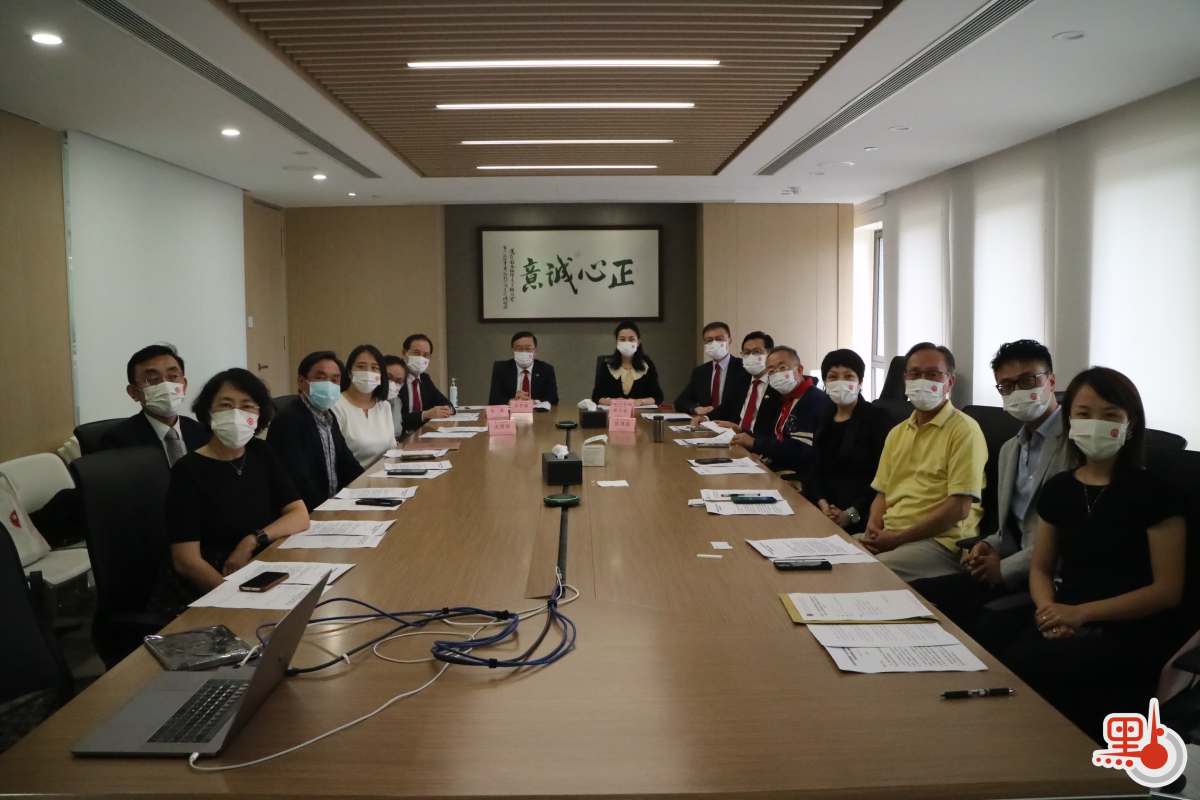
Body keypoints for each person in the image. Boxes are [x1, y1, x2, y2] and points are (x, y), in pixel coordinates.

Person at [991, 367, 1186, 741]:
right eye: (1084, 414)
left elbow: (1167, 590)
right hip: (1065, 616)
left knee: (1033, 669)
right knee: (996, 646)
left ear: (1130, 423)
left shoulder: (1157, 492)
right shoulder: (1059, 488)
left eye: (1110, 414)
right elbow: (1041, 568)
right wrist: (1048, 610)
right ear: (1069, 421)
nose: (1096, 423)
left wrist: (1081, 613)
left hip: (1130, 627)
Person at [913, 340, 1069, 629]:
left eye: (1028, 380)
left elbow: (1067, 537)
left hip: (1051, 579)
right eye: (1006, 386)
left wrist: (1005, 568)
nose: (1017, 391)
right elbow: (1011, 526)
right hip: (1008, 566)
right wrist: (986, 544)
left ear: (1051, 381)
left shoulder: (1074, 445)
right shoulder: (1011, 449)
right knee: (917, 595)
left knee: (972, 622)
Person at [165, 368, 309, 598]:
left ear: (259, 414)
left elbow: (299, 515)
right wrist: (233, 596)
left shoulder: (260, 452)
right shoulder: (188, 470)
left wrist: (252, 540)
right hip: (213, 583)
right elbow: (186, 560)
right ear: (208, 411)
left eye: (247, 406)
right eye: (225, 405)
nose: (236, 414)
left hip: (262, 568)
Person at [861, 342, 987, 582]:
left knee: (864, 574)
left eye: (933, 374)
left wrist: (897, 538)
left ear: (949, 382)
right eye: (915, 373)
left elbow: (959, 508)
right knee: (834, 558)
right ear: (905, 379)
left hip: (940, 543)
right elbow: (882, 493)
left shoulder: (964, 431)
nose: (922, 381)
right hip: (891, 536)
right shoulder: (897, 432)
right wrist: (873, 528)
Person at [803, 349, 892, 534]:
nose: (840, 382)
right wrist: (822, 504)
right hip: (822, 511)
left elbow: (883, 480)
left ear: (860, 382)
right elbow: (814, 468)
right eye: (833, 377)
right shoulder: (823, 417)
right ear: (825, 383)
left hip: (862, 516)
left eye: (848, 376)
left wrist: (849, 515)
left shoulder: (877, 419)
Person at [267, 351, 364, 511]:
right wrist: (328, 510)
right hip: (308, 512)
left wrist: (367, 487)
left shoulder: (328, 415)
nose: (329, 385)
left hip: (333, 505)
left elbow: (347, 463)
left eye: (335, 380)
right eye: (321, 378)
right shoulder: (288, 421)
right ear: (301, 381)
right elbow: (299, 481)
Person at [731, 346, 833, 486]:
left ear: (799, 370)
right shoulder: (786, 399)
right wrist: (744, 433)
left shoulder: (813, 400)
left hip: (798, 480)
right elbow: (777, 438)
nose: (777, 374)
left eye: (783, 368)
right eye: (771, 371)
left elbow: (801, 451)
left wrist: (756, 443)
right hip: (775, 470)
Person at [100, 343, 208, 465]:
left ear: (184, 385)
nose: (165, 385)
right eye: (152, 379)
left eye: (173, 376)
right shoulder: (117, 441)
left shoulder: (204, 432)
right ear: (133, 392)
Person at [332, 344, 396, 468]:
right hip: (353, 477)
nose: (368, 373)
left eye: (374, 368)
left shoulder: (384, 406)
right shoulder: (336, 405)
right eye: (361, 367)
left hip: (385, 473)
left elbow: (392, 448)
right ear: (349, 372)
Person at [705, 331, 774, 434]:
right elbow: (726, 407)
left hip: (757, 441)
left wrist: (743, 432)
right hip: (734, 437)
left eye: (756, 352)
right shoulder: (741, 380)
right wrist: (705, 418)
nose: (751, 356)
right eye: (746, 352)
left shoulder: (777, 386)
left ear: (770, 354)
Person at [673, 322, 748, 416]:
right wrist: (695, 409)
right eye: (709, 340)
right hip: (706, 422)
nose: (714, 343)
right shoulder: (700, 372)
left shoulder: (744, 368)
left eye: (719, 339)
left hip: (734, 422)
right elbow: (680, 401)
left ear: (729, 340)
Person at [591, 320, 664, 406]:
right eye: (622, 339)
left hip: (640, 413)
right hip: (613, 412)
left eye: (631, 339)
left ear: (638, 342)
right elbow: (596, 397)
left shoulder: (647, 366)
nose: (627, 343)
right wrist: (612, 402)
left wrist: (639, 402)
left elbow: (658, 397)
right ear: (616, 342)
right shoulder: (606, 366)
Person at [397, 333, 453, 433]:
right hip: (401, 436)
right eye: (416, 353)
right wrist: (425, 415)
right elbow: (396, 420)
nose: (421, 358)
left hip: (423, 434)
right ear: (404, 353)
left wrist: (448, 409)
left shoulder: (424, 378)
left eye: (426, 355)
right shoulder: (395, 378)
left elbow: (445, 403)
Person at [488, 331, 560, 406]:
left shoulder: (546, 369)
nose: (524, 352)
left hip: (536, 411)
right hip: (511, 411)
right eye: (519, 349)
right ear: (513, 351)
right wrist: (511, 401)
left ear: (535, 351)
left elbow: (553, 398)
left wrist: (535, 402)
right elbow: (494, 399)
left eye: (528, 348)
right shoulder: (501, 368)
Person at [383, 354, 409, 440]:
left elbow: (398, 433)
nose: (392, 384)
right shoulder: (366, 403)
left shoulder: (397, 402)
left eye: (398, 381)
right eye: (388, 378)